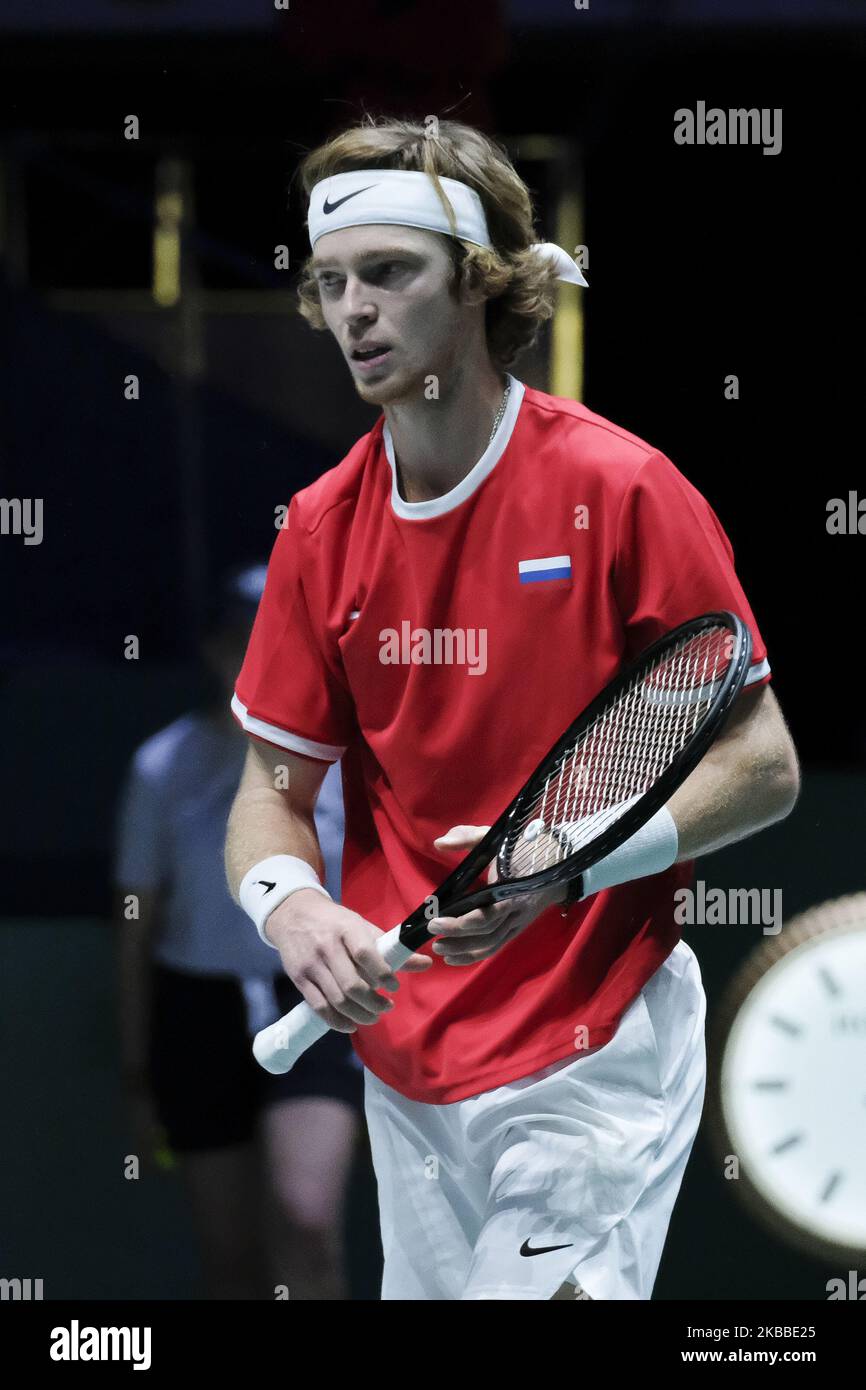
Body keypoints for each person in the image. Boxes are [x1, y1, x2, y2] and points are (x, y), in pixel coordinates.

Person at [225, 117, 801, 1301]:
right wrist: (291, 914)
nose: (353, 311)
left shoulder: (621, 489)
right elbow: (268, 800)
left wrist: (573, 865)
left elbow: (763, 765)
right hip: (410, 1073)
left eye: (390, 274)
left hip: (594, 1051)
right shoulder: (319, 533)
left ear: (481, 286)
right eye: (331, 283)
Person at [115, 564, 363, 1299]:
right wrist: (138, 1078)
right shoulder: (162, 767)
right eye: (242, 643)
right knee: (231, 1258)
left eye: (278, 643)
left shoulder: (351, 763)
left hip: (317, 1001)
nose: (258, 661)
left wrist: (400, 1055)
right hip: (197, 1013)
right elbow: (135, 930)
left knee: (307, 1218)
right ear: (218, 651)